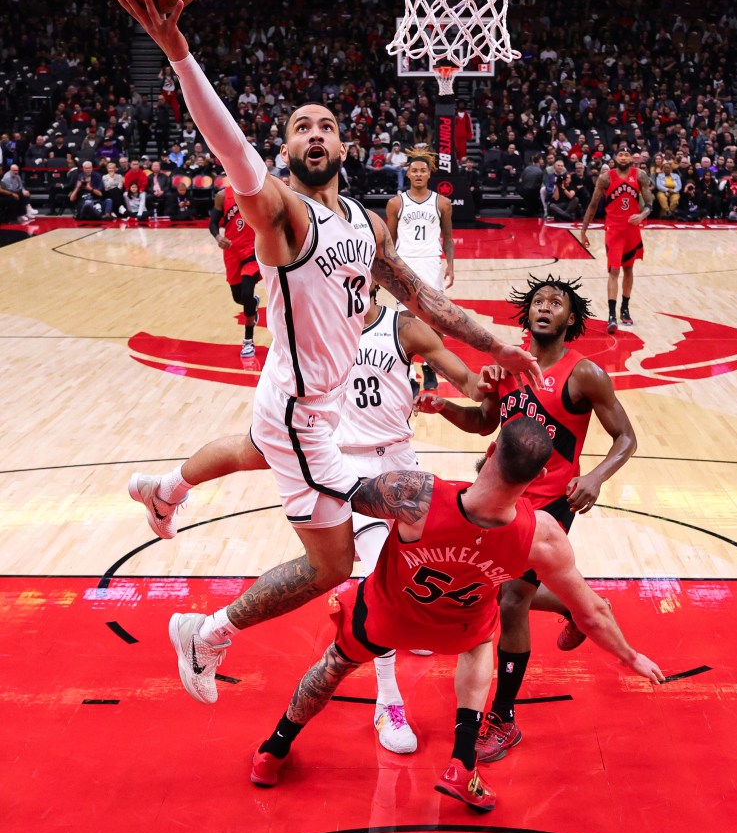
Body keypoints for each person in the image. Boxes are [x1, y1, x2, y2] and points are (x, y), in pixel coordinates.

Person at [117, 0, 540, 707]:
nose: (314, 134)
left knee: (254, 452)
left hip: (300, 396)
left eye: (326, 126)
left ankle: (166, 490)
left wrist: (498, 342)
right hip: (303, 414)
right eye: (300, 128)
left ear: (344, 148)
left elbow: (427, 301)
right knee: (346, 554)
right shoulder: (282, 214)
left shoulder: (365, 225)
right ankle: (207, 632)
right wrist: (180, 55)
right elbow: (233, 151)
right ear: (286, 151)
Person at [133, 280, 487, 753]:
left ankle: (165, 491)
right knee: (380, 580)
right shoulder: (316, 328)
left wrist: (487, 381)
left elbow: (468, 381)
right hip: (343, 465)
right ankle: (388, 700)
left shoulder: (403, 328)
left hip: (401, 463)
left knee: (408, 567)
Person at [249, 418, 664, 808]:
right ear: (539, 476)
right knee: (483, 640)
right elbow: (592, 613)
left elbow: (341, 492)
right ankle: (462, 762)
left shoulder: (416, 495)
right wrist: (631, 657)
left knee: (334, 664)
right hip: (459, 629)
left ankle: (273, 750)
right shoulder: (542, 536)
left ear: (491, 449)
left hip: (388, 617)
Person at [417, 274, 639, 763]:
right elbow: (484, 423)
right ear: (526, 313)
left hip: (552, 503)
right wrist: (444, 407)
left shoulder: (585, 375)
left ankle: (504, 718)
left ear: (570, 319)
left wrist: (596, 477)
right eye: (538, 301)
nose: (545, 307)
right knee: (500, 591)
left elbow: (626, 438)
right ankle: (575, 607)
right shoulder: (508, 367)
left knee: (512, 599)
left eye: (556, 303)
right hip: (504, 498)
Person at [385, 148, 455, 392]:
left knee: (435, 319)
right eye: (414, 170)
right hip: (405, 263)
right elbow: (389, 240)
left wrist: (451, 266)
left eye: (422, 171)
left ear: (429, 174)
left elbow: (448, 238)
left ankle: (430, 367)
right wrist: (388, 267)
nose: (418, 174)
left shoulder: (443, 203)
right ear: (408, 173)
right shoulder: (395, 203)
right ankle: (408, 374)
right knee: (406, 321)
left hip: (431, 263)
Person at [579, 147, 653, 335]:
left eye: (626, 155)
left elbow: (649, 204)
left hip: (632, 230)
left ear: (631, 158)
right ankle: (611, 315)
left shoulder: (640, 175)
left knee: (629, 269)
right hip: (614, 229)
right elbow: (593, 205)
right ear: (615, 158)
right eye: (620, 154)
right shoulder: (606, 178)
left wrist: (642, 215)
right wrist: (584, 230)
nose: (623, 157)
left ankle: (625, 308)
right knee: (614, 270)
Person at [210, 182, 262, 357]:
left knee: (246, 293)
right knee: (238, 297)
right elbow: (212, 223)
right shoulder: (222, 196)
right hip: (232, 250)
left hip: (252, 250)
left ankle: (248, 341)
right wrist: (218, 237)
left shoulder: (256, 192)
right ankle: (252, 303)